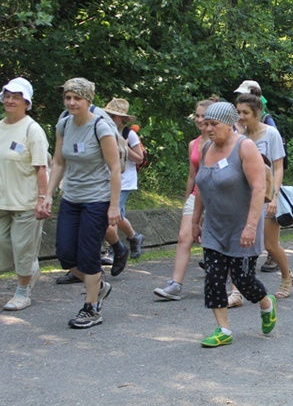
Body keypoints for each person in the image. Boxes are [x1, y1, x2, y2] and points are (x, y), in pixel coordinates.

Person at [191, 102, 277, 347]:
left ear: (229, 124)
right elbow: (202, 189)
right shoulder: (207, 147)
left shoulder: (244, 147)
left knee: (242, 279)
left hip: (242, 226)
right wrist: (196, 221)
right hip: (214, 228)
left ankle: (266, 303)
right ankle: (223, 329)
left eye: (213, 124)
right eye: (205, 123)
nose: (208, 128)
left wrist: (250, 226)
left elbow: (259, 188)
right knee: (214, 277)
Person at [41, 78, 121, 329]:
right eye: (68, 97)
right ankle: (97, 284)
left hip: (96, 199)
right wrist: (48, 195)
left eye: (77, 98)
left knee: (88, 256)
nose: (72, 102)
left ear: (89, 100)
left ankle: (91, 308)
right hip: (72, 198)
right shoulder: (64, 124)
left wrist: (114, 205)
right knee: (65, 254)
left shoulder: (101, 127)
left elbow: (115, 168)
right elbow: (59, 162)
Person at [0, 77, 48, 311]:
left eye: (16, 97)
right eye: (7, 96)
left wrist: (42, 199)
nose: (10, 100)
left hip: (25, 201)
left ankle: (22, 291)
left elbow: (41, 168)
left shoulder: (32, 129)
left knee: (23, 248)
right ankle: (30, 267)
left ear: (26, 102)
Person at [154, 98, 226, 302]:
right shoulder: (193, 144)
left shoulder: (222, 142)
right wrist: (187, 201)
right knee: (184, 236)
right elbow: (192, 175)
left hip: (220, 196)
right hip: (197, 195)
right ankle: (175, 285)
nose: (201, 120)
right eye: (198, 115)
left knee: (220, 240)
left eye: (205, 116)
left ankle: (231, 281)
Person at [236, 93, 293, 298]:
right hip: (243, 196)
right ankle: (236, 290)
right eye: (239, 112)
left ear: (257, 113)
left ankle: (287, 276)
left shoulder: (271, 134)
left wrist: (275, 197)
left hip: (267, 195)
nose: (241, 116)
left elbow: (278, 168)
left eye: (246, 113)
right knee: (240, 243)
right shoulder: (238, 135)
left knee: (270, 244)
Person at [103, 98, 146, 259]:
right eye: (108, 115)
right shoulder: (104, 131)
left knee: (110, 215)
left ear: (122, 119)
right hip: (108, 179)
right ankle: (134, 237)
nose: (109, 119)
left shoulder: (130, 134)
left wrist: (124, 146)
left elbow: (139, 158)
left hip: (125, 181)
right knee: (117, 216)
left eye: (112, 116)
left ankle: (112, 250)